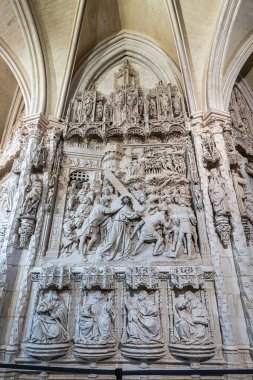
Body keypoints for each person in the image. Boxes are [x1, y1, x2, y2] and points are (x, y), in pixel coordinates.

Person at [97, 195, 140, 261]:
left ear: (129, 200)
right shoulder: (124, 207)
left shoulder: (127, 207)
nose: (126, 200)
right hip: (117, 224)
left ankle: (126, 255)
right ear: (123, 201)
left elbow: (130, 214)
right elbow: (131, 215)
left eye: (127, 199)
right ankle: (101, 253)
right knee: (111, 240)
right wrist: (137, 214)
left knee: (127, 240)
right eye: (125, 199)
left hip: (122, 224)